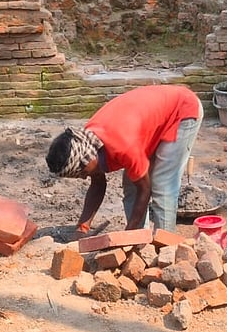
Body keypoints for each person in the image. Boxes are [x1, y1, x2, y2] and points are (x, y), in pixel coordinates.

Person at [46, 85, 203, 233]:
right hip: (149, 119)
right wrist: (83, 227)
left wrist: (127, 233)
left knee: (162, 184)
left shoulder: (123, 146)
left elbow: (145, 189)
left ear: (87, 159)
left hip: (181, 111)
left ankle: (166, 248)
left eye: (82, 172)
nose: (83, 177)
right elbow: (98, 184)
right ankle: (140, 240)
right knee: (131, 186)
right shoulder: (88, 142)